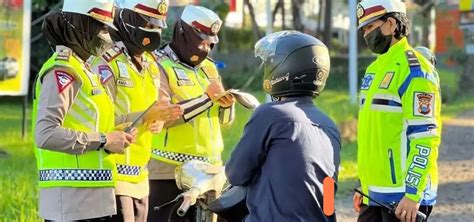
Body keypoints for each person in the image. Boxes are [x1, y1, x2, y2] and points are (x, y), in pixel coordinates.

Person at [33, 1, 136, 221]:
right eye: (102, 28)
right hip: (71, 201)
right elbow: (46, 134)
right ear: (81, 24)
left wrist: (117, 133)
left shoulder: (85, 70)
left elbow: (89, 124)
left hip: (95, 199)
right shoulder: (63, 70)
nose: (107, 37)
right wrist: (103, 140)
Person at [225, 31, 341, 222]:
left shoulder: (270, 114)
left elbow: (236, 174)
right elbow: (328, 192)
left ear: (283, 67)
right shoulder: (329, 125)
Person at [90, 0, 183, 221]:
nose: (155, 32)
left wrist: (159, 119)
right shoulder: (105, 63)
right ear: (128, 21)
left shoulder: (151, 63)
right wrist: (143, 118)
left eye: (159, 26)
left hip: (141, 176)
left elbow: (154, 106)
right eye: (149, 25)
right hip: (111, 174)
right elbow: (97, 122)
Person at [354, 1, 441, 222]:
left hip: (404, 196)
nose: (365, 34)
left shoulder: (416, 70)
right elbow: (371, 134)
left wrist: (413, 195)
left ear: (391, 24)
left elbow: (425, 137)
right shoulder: (374, 69)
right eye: (363, 29)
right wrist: (362, 185)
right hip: (372, 194)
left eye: (369, 27)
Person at [147, 5, 235, 221]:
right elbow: (162, 117)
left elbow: (224, 124)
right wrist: (206, 99)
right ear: (183, 33)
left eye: (210, 44)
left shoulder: (209, 68)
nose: (205, 49)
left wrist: (226, 105)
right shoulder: (159, 65)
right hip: (170, 172)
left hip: (210, 171)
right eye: (201, 42)